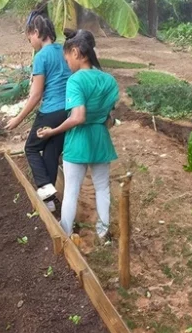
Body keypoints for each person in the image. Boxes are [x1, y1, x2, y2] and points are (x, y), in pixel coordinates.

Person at [37, 30, 119, 239]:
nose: (67, 64)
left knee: (72, 191)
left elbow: (78, 116)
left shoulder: (75, 81)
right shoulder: (109, 80)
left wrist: (52, 131)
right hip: (100, 138)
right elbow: (109, 117)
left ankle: (65, 234)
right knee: (102, 188)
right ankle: (103, 233)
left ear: (75, 52)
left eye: (67, 59)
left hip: (78, 140)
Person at [5, 14, 72, 212]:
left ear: (36, 33)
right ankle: (50, 203)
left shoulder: (41, 56)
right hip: (67, 112)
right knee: (51, 152)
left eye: (29, 39)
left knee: (32, 148)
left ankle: (45, 192)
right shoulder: (64, 50)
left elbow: (35, 96)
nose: (31, 43)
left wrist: (17, 120)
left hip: (50, 111)